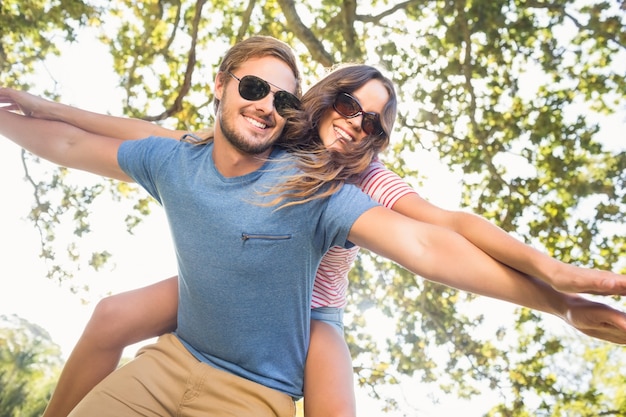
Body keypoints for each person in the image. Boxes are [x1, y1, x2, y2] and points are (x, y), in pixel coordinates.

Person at [1, 37, 626, 417]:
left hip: (311, 308)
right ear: (321, 100)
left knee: (331, 402)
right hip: (235, 273)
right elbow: (152, 137)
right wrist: (38, 104)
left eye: (373, 124)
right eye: (349, 105)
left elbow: (440, 233)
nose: (357, 123)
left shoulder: (361, 184)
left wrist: (557, 288)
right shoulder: (269, 130)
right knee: (113, 315)